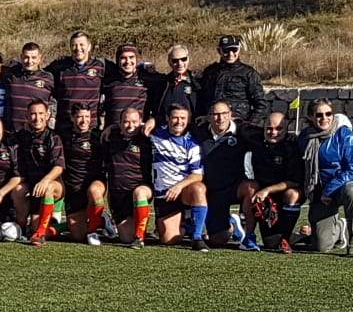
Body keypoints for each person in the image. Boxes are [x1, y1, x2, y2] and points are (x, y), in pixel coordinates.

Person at [305, 99, 353, 257]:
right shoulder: (305, 137)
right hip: (320, 191)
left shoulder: (344, 134)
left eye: (328, 114)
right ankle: (340, 228)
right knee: (321, 246)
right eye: (319, 115)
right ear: (311, 117)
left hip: (343, 185)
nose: (324, 118)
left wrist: (329, 189)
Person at [195, 101, 257, 250]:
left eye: (224, 114)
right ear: (209, 116)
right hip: (213, 191)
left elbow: (265, 138)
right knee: (218, 240)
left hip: (234, 187)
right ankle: (232, 224)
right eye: (216, 114)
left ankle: (249, 236)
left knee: (251, 187)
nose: (220, 118)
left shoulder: (242, 132)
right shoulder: (200, 133)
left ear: (230, 115)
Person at [90, 107, 154, 247]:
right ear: (119, 123)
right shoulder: (110, 137)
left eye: (134, 122)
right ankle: (105, 220)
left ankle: (139, 238)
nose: (130, 126)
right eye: (126, 122)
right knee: (126, 238)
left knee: (140, 193)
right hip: (118, 196)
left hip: (140, 189)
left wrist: (153, 121)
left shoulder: (147, 139)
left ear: (141, 122)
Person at [149, 105, 207, 249]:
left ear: (188, 120)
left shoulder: (192, 143)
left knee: (199, 188)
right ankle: (187, 225)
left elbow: (197, 175)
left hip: (183, 192)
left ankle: (197, 237)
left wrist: (178, 186)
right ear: (167, 118)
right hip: (164, 194)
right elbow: (132, 126)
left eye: (183, 118)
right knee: (168, 239)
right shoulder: (155, 134)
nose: (179, 122)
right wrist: (112, 127)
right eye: (175, 117)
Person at [247, 111, 304, 254]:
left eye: (279, 128)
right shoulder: (256, 139)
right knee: (271, 244)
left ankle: (286, 238)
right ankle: (305, 236)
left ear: (286, 129)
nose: (273, 132)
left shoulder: (292, 147)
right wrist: (207, 117)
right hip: (266, 199)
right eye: (269, 128)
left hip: (284, 194)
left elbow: (294, 182)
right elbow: (237, 124)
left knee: (292, 194)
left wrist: (267, 190)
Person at [15, 100, 67, 244]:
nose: (37, 118)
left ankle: (41, 233)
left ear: (47, 115)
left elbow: (59, 167)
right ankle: (21, 227)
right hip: (32, 187)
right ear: (27, 116)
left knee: (48, 188)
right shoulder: (21, 137)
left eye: (40, 113)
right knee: (18, 190)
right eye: (33, 114)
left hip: (53, 185)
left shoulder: (53, 138)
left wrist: (45, 180)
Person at [60, 103, 102, 245]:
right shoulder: (63, 136)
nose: (84, 121)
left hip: (93, 183)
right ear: (72, 118)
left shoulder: (98, 136)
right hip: (74, 188)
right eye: (80, 117)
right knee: (78, 236)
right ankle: (102, 220)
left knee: (95, 191)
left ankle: (93, 231)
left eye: (87, 117)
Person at [198, 34, 266, 123]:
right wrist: (203, 117)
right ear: (219, 51)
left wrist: (249, 124)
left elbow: (261, 105)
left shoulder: (249, 73)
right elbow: (201, 99)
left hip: (239, 124)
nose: (230, 54)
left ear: (239, 49)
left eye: (234, 50)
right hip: (212, 123)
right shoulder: (210, 72)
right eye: (226, 50)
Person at [47, 30, 107, 128]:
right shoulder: (60, 65)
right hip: (64, 127)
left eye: (81, 45)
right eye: (74, 45)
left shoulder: (100, 66)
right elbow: (41, 75)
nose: (78, 48)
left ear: (89, 46)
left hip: (90, 127)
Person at [1, 41, 56, 131]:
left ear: (39, 58)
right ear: (21, 57)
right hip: (13, 133)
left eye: (33, 57)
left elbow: (56, 100)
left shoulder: (48, 78)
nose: (30, 61)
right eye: (26, 57)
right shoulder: (11, 73)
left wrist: (52, 120)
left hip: (37, 132)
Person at [148, 45, 199, 125]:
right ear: (169, 62)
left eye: (183, 59)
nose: (180, 63)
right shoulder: (163, 83)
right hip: (166, 128)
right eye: (175, 60)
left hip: (190, 129)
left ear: (188, 59)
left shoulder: (198, 82)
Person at [102, 44, 151, 125]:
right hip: (113, 130)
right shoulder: (108, 80)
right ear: (117, 60)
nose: (128, 61)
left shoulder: (147, 79)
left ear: (137, 59)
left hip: (138, 130)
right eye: (123, 58)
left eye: (131, 57)